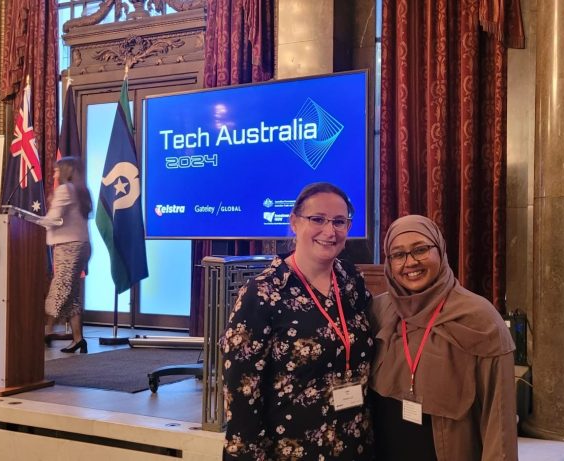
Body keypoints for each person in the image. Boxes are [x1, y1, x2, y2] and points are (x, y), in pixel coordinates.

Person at [220, 182, 375, 460]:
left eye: (339, 222)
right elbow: (242, 392)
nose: (330, 231)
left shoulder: (352, 282)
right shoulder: (263, 292)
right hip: (291, 450)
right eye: (318, 219)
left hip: (355, 446)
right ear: (294, 222)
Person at [369, 215, 517, 460]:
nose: (410, 262)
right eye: (398, 254)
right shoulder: (379, 310)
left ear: (440, 250)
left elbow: (499, 419)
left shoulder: (480, 318)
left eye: (421, 249)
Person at [38, 156, 92, 354]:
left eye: (57, 170)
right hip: (80, 245)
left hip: (68, 247)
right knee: (71, 294)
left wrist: (30, 220)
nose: (54, 174)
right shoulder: (81, 190)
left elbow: (53, 219)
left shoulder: (64, 189)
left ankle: (45, 332)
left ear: (66, 171)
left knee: (59, 289)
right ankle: (78, 339)